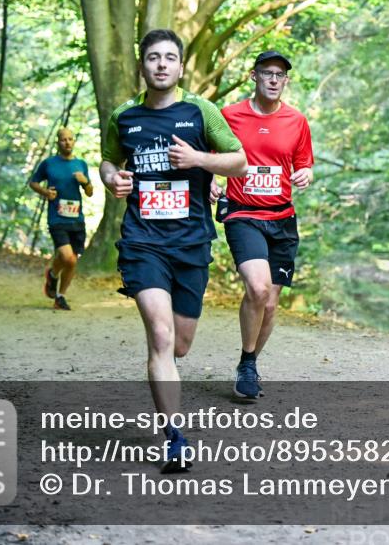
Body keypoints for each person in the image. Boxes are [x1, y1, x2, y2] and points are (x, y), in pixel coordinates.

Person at [100, 29, 246, 473]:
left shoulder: (200, 112)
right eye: (152, 58)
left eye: (169, 58)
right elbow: (108, 159)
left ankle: (169, 403)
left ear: (180, 67)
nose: (161, 64)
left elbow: (238, 160)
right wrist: (111, 179)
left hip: (191, 242)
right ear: (142, 66)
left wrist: (199, 161)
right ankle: (174, 439)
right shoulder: (125, 116)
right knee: (160, 337)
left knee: (180, 345)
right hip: (143, 241)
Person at [212, 50, 314, 399]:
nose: (273, 79)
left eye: (280, 75)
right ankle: (248, 364)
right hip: (244, 214)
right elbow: (211, 156)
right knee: (257, 288)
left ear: (286, 81)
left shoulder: (296, 121)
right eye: (267, 73)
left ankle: (248, 361)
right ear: (253, 76)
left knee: (270, 304)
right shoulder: (229, 116)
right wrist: (210, 177)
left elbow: (304, 163)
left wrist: (306, 174)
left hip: (282, 218)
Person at [29, 127, 94, 311]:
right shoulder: (49, 164)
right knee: (68, 258)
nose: (67, 142)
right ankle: (53, 274)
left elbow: (90, 193)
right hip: (57, 218)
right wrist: (45, 192)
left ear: (74, 141)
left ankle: (59, 293)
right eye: (64, 140)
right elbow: (33, 182)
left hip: (76, 218)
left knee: (70, 259)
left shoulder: (81, 164)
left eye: (70, 139)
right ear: (58, 142)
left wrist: (85, 182)